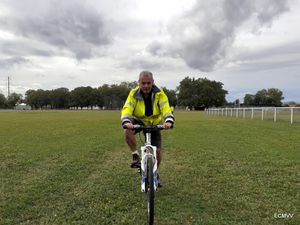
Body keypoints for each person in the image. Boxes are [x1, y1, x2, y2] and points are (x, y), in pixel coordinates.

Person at [121, 71, 174, 187]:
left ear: (153, 82)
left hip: (154, 123)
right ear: (138, 82)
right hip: (138, 121)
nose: (146, 86)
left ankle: (154, 172)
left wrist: (169, 120)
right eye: (143, 83)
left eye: (148, 83)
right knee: (127, 130)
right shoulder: (133, 93)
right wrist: (126, 121)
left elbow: (166, 108)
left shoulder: (160, 93)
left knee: (158, 152)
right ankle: (135, 155)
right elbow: (127, 108)